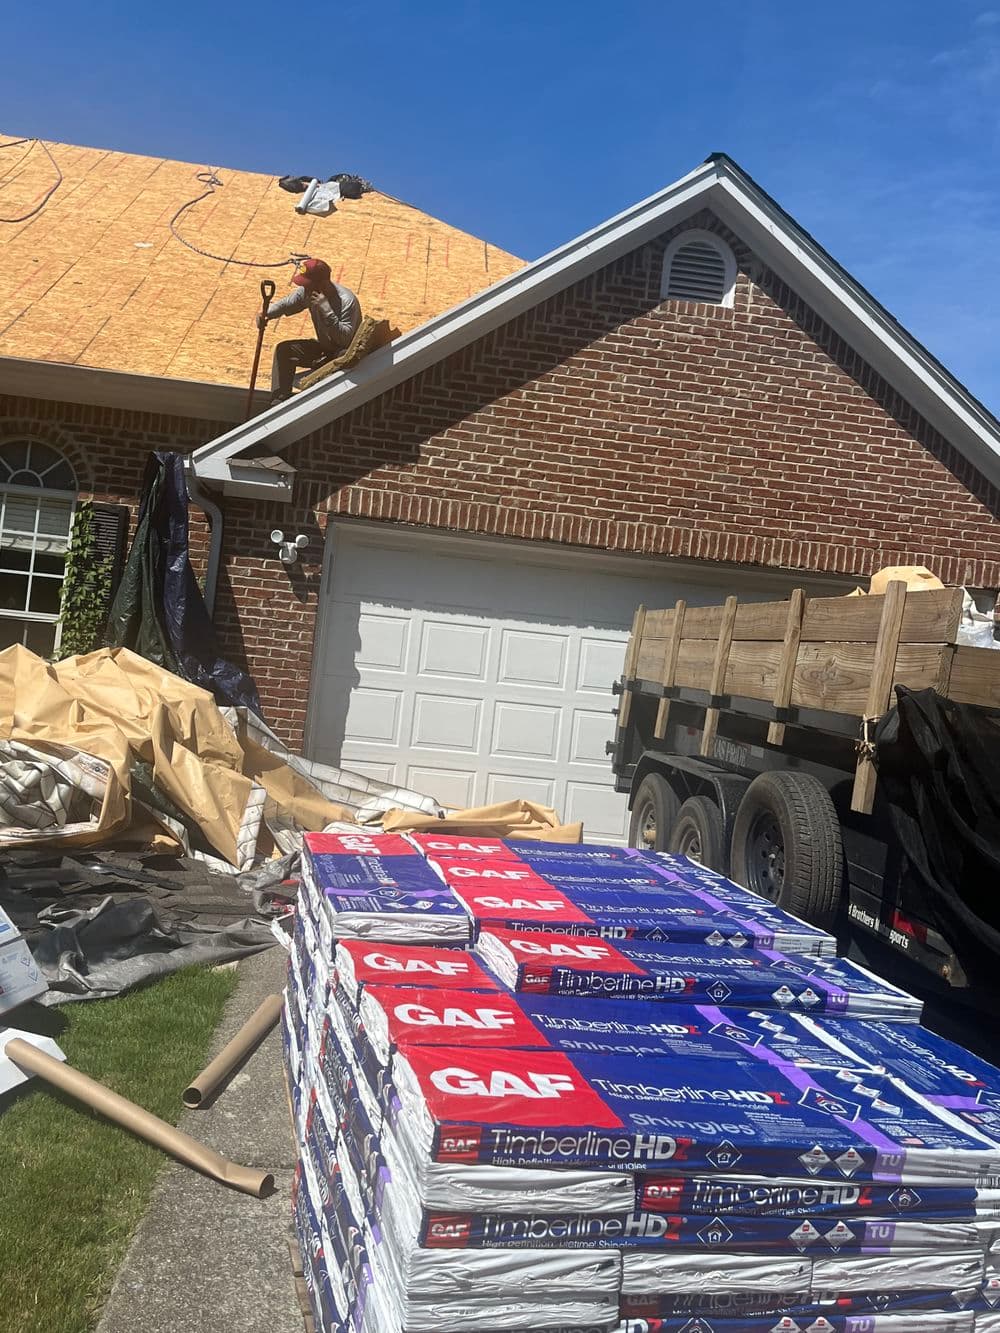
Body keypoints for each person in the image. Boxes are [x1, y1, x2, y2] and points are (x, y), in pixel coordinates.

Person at [259, 258, 362, 404]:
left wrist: (327, 311)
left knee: (342, 355)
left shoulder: (346, 301)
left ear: (323, 283)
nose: (305, 289)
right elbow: (287, 304)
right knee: (285, 350)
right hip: (324, 348)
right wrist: (266, 314)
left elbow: (345, 339)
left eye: (308, 285)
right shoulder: (307, 292)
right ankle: (279, 400)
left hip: (341, 354)